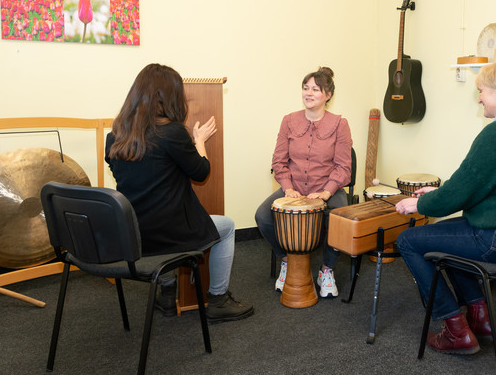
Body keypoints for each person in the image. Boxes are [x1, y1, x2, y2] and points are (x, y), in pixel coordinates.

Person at [395, 60, 496, 354]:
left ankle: (455, 328)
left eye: (481, 91)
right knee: (449, 238)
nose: (479, 97)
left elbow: (460, 192)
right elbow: (490, 185)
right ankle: (480, 320)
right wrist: (444, 191)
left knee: (407, 240)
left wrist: (421, 203)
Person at [105, 63, 253, 323]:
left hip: (134, 234)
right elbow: (201, 172)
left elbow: (125, 178)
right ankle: (218, 299)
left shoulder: (115, 136)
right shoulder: (172, 133)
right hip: (169, 236)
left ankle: (167, 292)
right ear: (168, 96)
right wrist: (199, 142)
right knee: (227, 227)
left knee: (165, 220)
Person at [255, 67, 353, 298]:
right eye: (305, 88)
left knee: (339, 216)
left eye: (315, 89)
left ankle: (326, 269)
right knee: (262, 215)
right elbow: (279, 161)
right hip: (294, 188)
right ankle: (287, 261)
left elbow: (343, 167)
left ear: (328, 95)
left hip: (328, 187)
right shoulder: (288, 121)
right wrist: (288, 188)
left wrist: (327, 193)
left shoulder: (340, 124)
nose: (308, 93)